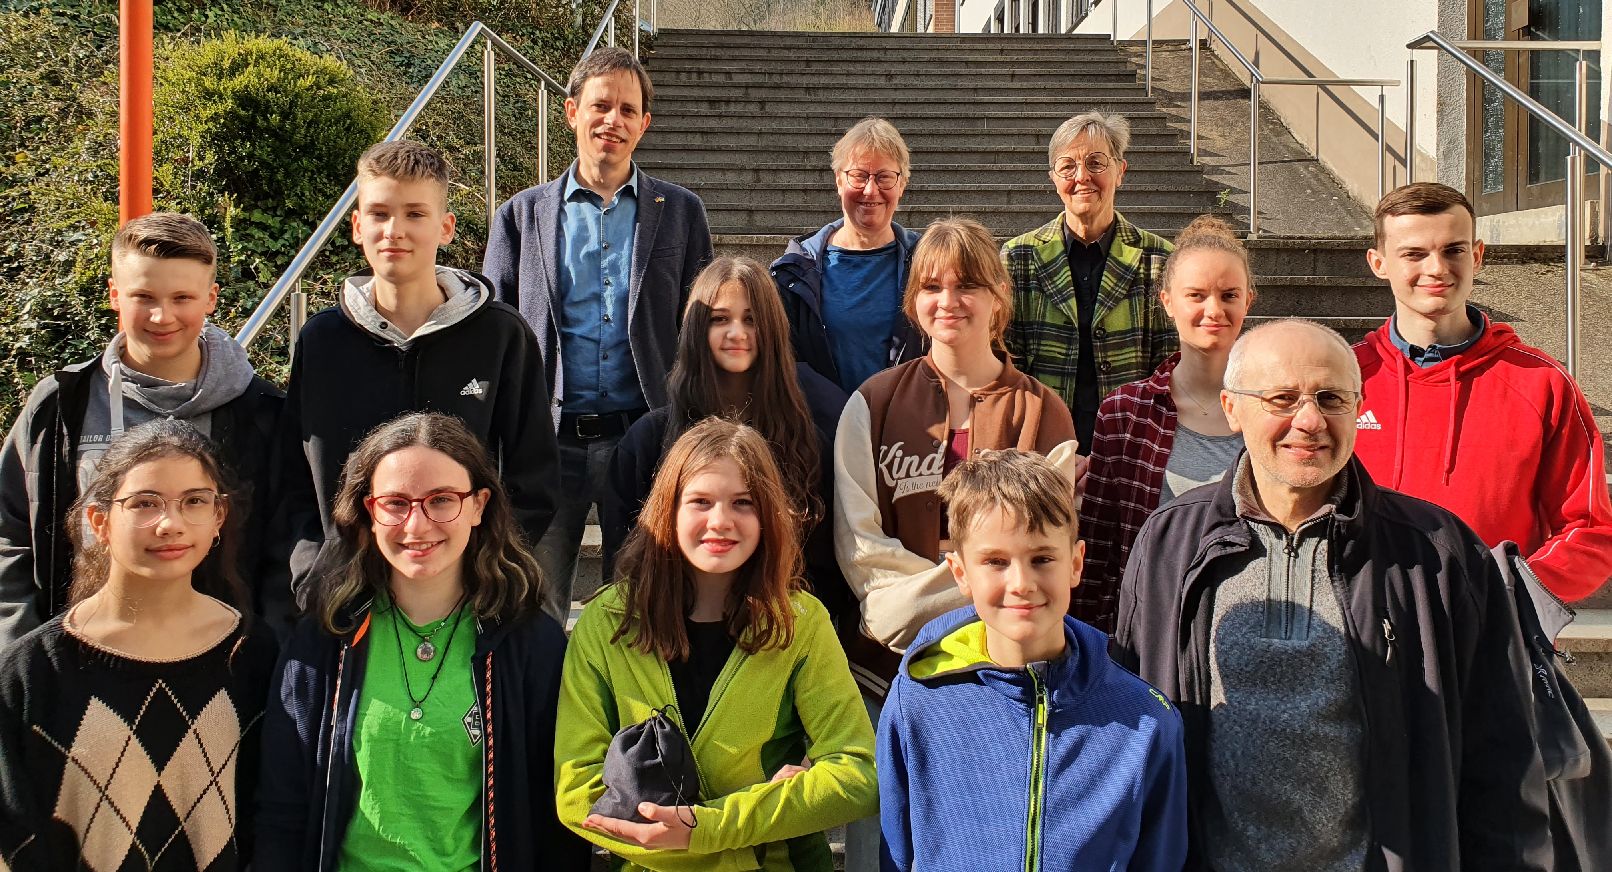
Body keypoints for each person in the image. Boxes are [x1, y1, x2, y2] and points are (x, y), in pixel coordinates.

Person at [1113, 318, 1551, 870]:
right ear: (1231, 408)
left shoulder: (1435, 554)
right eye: (1282, 398)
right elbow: (1129, 729)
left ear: (1358, 408)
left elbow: (1503, 760)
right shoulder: (1170, 543)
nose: (1310, 420)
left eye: (1331, 398)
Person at [256, 412, 586, 871]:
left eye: (441, 500)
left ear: (479, 505)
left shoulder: (530, 644)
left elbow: (554, 819)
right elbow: (281, 809)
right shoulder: (325, 640)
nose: (417, 525)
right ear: (368, 512)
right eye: (395, 503)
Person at [556, 418, 876, 871]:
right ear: (669, 509)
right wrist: (770, 809)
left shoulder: (800, 621)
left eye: (743, 503)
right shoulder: (607, 622)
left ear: (767, 516)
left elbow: (859, 773)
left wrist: (708, 828)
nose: (721, 521)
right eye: (700, 502)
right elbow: (576, 793)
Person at [275, 140, 558, 611]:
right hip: (344, 596)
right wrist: (313, 572)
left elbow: (533, 476)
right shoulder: (323, 341)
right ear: (357, 226)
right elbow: (294, 478)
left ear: (445, 227)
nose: (395, 230)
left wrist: (485, 570)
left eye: (415, 214)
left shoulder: (501, 335)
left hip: (468, 596)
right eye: (380, 213)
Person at [483, 46, 714, 618]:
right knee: (533, 605)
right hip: (546, 440)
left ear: (644, 124)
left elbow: (700, 329)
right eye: (601, 105)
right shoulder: (521, 216)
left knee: (641, 604)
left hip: (644, 437)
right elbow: (493, 332)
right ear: (571, 112)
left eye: (628, 110)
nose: (613, 120)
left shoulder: (681, 212)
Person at [879, 449, 1186, 871]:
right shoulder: (917, 701)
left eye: (1042, 559)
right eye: (996, 562)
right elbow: (897, 853)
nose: (1021, 583)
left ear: (1075, 563)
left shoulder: (1146, 720)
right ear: (960, 573)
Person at [0, 419, 279, 869]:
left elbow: (271, 819)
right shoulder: (31, 672)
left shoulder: (253, 654)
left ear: (218, 518)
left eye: (194, 501)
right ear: (100, 521)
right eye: (145, 503)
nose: (170, 524)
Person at [0, 212, 281, 647]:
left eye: (182, 297)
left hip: (220, 657)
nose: (162, 316)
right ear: (115, 294)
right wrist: (22, 647)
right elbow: (9, 529)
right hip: (78, 654)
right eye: (143, 296)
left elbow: (284, 544)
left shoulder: (260, 412)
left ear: (211, 298)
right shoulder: (62, 405)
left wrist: (268, 649)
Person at [835, 216, 1079, 701]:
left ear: (999, 295)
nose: (948, 301)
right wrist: (953, 594)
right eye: (932, 287)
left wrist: (909, 607)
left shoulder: (1043, 413)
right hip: (887, 670)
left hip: (1005, 665)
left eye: (967, 285)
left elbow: (1038, 551)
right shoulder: (872, 402)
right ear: (913, 301)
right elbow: (858, 544)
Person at [1358, 182, 1612, 601]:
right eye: (1414, 254)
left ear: (1476, 256)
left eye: (1453, 250)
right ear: (1379, 263)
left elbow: (1589, 528)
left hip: (1490, 628)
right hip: (1365, 624)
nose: (1437, 268)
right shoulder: (1341, 380)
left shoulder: (1541, 381)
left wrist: (1511, 597)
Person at [602, 256, 850, 621]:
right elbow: (623, 563)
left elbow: (828, 568)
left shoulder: (807, 441)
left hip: (780, 628)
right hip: (670, 626)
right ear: (697, 328)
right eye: (720, 319)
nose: (737, 333)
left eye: (752, 319)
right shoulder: (648, 441)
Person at [1076, 215, 1256, 631]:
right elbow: (1100, 548)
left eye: (1229, 295)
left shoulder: (1273, 410)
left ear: (1248, 300)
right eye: (1196, 295)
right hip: (1151, 628)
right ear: (1167, 301)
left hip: (1245, 623)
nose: (1214, 310)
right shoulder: (1125, 412)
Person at [1002, 111, 1177, 454]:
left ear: (1120, 171)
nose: (1082, 177)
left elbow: (1169, 366)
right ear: (1053, 179)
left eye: (1096, 163)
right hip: (1042, 447)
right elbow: (1008, 362)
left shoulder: (1159, 259)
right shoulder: (1018, 257)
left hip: (1131, 443)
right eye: (1067, 167)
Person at [771, 116, 924, 393]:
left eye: (884, 177)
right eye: (859, 175)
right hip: (822, 418)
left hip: (907, 417)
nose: (870, 190)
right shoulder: (795, 271)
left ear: (902, 184)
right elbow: (788, 366)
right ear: (839, 181)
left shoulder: (928, 263)